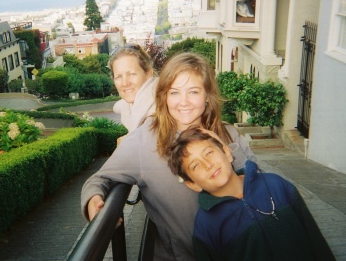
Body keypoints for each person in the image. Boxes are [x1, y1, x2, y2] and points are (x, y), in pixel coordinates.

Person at [81, 52, 257, 260]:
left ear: (207, 95)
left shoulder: (228, 133)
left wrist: (228, 148)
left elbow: (261, 186)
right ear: (163, 96)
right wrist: (94, 199)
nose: (184, 102)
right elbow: (101, 178)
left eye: (193, 92)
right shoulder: (144, 139)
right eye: (174, 93)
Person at [168, 126, 336, 261]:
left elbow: (315, 240)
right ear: (192, 184)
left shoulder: (276, 185)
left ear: (227, 153)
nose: (208, 164)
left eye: (209, 153)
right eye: (195, 166)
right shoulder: (206, 227)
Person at [109, 43, 158, 133]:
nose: (125, 83)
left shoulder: (162, 110)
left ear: (148, 74)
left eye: (131, 74)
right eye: (118, 77)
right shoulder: (130, 109)